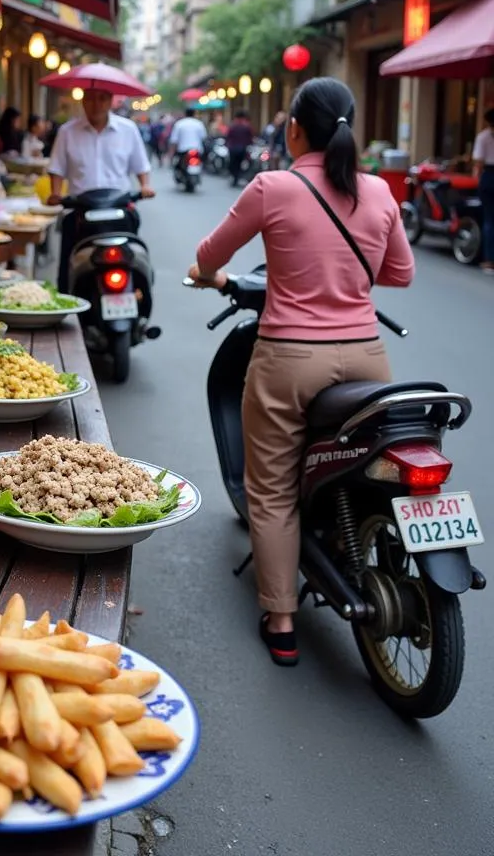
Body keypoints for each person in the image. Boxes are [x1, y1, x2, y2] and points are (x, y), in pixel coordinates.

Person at [189, 77, 414, 667]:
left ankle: (282, 618)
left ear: (294, 127)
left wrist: (205, 274)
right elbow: (400, 273)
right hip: (368, 357)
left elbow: (211, 256)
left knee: (271, 489)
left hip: (289, 358)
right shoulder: (379, 192)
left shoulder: (273, 187)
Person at [47, 89, 155, 291]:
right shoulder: (67, 132)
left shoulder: (128, 129)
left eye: (102, 98)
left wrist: (145, 186)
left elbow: (141, 165)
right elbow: (56, 168)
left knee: (135, 258)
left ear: (111, 101)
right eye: (90, 98)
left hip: (119, 209)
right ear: (83, 101)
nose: (95, 104)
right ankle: (66, 307)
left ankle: (140, 291)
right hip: (80, 211)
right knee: (66, 271)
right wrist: (56, 193)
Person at [472, 107, 494, 274]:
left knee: (489, 218)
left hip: (489, 176)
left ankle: (488, 260)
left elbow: (478, 162)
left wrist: (477, 178)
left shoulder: (483, 137)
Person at [224, 110, 255, 187]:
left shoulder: (233, 126)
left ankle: (234, 177)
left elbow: (228, 137)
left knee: (233, 163)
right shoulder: (247, 126)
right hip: (242, 148)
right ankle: (237, 177)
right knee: (239, 164)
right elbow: (250, 138)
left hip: (233, 148)